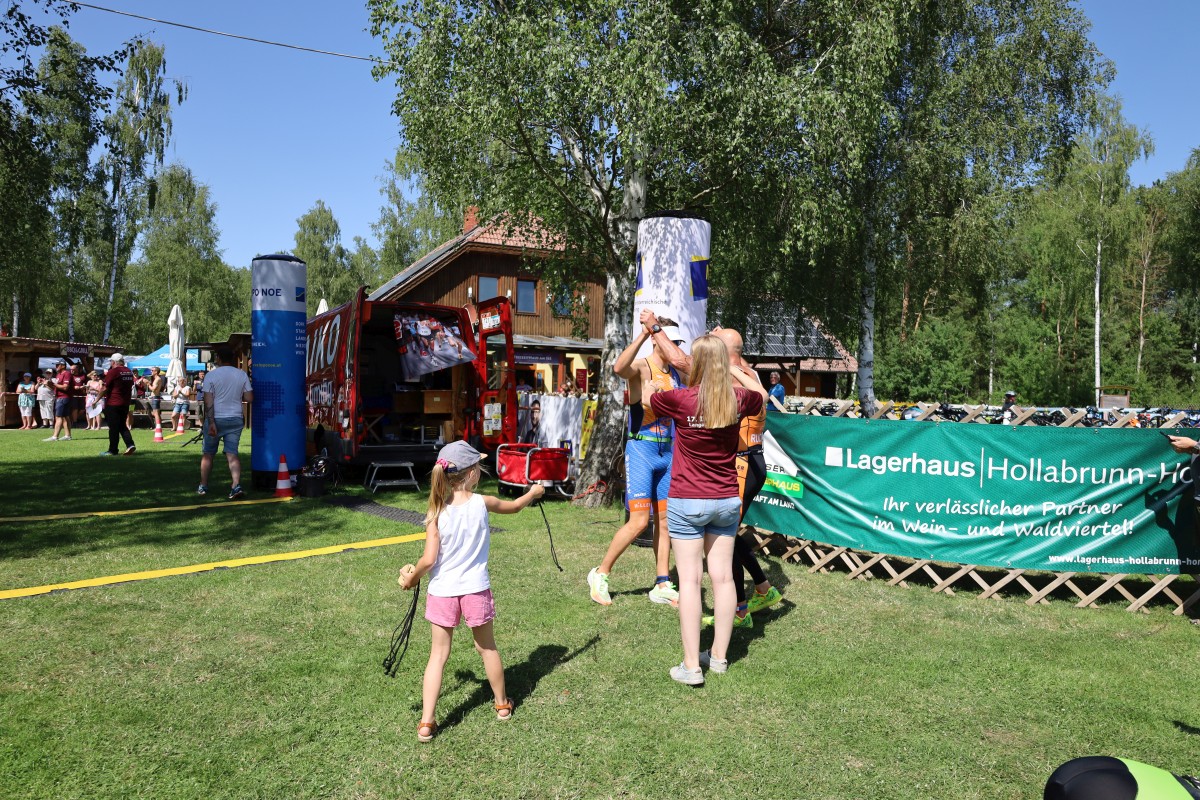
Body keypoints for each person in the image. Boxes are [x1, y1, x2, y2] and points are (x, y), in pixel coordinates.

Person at [398, 440, 545, 743]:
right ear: (471, 473)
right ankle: (502, 705)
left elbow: (428, 560)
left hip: (442, 592)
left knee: (438, 655)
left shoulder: (436, 511)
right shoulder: (483, 502)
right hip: (476, 590)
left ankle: (426, 722)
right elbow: (516, 507)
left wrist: (411, 579)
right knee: (487, 648)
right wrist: (533, 493)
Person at [650, 334, 763, 684]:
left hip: (687, 499)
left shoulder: (681, 399)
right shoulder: (737, 399)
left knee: (690, 580)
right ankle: (718, 658)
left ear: (697, 362)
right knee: (724, 578)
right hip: (726, 500)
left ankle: (691, 666)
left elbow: (649, 399)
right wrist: (734, 369)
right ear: (722, 363)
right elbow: (759, 393)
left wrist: (653, 380)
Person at [587, 312, 689, 608]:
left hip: (668, 452)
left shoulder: (676, 373)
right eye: (671, 341)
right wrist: (644, 333)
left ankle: (662, 583)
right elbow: (619, 368)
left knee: (666, 522)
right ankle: (600, 573)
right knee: (639, 521)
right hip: (642, 450)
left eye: (677, 343)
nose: (674, 347)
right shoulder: (643, 367)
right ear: (658, 340)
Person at [700, 327, 782, 630]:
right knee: (729, 535)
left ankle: (739, 611)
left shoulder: (735, 376)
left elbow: (685, 363)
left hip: (743, 465)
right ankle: (763, 588)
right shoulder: (749, 371)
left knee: (723, 537)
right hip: (752, 460)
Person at [198, 348, 252, 499]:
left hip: (216, 418)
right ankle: (236, 485)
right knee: (232, 453)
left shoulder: (211, 375)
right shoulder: (241, 374)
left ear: (218, 359)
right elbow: (249, 398)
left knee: (208, 453)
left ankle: (203, 485)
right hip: (235, 418)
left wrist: (211, 421)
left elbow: (208, 401)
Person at [99, 354, 137, 456]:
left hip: (113, 403)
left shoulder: (113, 371)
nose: (110, 363)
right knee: (122, 425)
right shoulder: (128, 371)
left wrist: (96, 399)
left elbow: (105, 388)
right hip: (125, 403)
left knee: (113, 428)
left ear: (114, 362)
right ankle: (130, 444)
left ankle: (113, 450)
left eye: (111, 361)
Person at [43, 360, 74, 441]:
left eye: (58, 365)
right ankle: (68, 436)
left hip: (64, 398)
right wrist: (47, 384)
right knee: (65, 417)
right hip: (60, 397)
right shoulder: (58, 375)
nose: (56, 366)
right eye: (56, 365)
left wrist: (53, 384)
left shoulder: (67, 374)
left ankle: (55, 436)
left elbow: (65, 387)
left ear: (63, 366)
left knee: (58, 417)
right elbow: (55, 388)